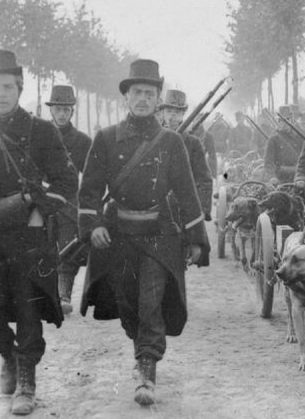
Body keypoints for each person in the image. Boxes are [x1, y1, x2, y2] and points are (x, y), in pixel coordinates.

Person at [0, 50, 78, 415]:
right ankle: (8, 354)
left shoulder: (40, 131)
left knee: (28, 306)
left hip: (28, 232)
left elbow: (66, 182)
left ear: (19, 88)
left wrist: (34, 201)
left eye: (8, 86)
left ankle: (26, 379)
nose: (2, 93)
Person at [78, 59, 210, 406]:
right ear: (126, 97)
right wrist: (93, 227)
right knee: (127, 302)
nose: (143, 99)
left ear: (157, 98)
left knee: (151, 301)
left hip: (160, 234)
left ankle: (147, 370)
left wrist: (196, 239)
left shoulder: (171, 142)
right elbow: (89, 189)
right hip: (119, 234)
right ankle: (142, 352)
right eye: (137, 92)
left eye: (149, 93)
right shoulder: (106, 139)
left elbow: (187, 192)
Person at [45, 84, 92, 315]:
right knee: (40, 246)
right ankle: (42, 294)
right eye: (58, 109)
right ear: (50, 110)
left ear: (72, 111)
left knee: (68, 247)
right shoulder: (38, 136)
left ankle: (63, 294)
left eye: (66, 109)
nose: (62, 114)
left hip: (69, 202)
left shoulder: (82, 141)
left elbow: (92, 174)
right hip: (41, 200)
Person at [157, 89, 213, 222]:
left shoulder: (193, 143)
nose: (172, 117)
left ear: (183, 115)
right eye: (169, 112)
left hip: (185, 210)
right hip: (155, 210)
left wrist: (203, 210)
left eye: (177, 113)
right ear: (163, 113)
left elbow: (204, 179)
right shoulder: (153, 139)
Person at [264, 105, 305, 185]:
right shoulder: (273, 140)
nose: (285, 123)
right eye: (282, 120)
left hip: (297, 179)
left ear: (292, 120)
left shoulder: (299, 139)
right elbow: (269, 163)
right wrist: (272, 177)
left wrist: (302, 177)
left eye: (287, 119)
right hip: (279, 179)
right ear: (278, 122)